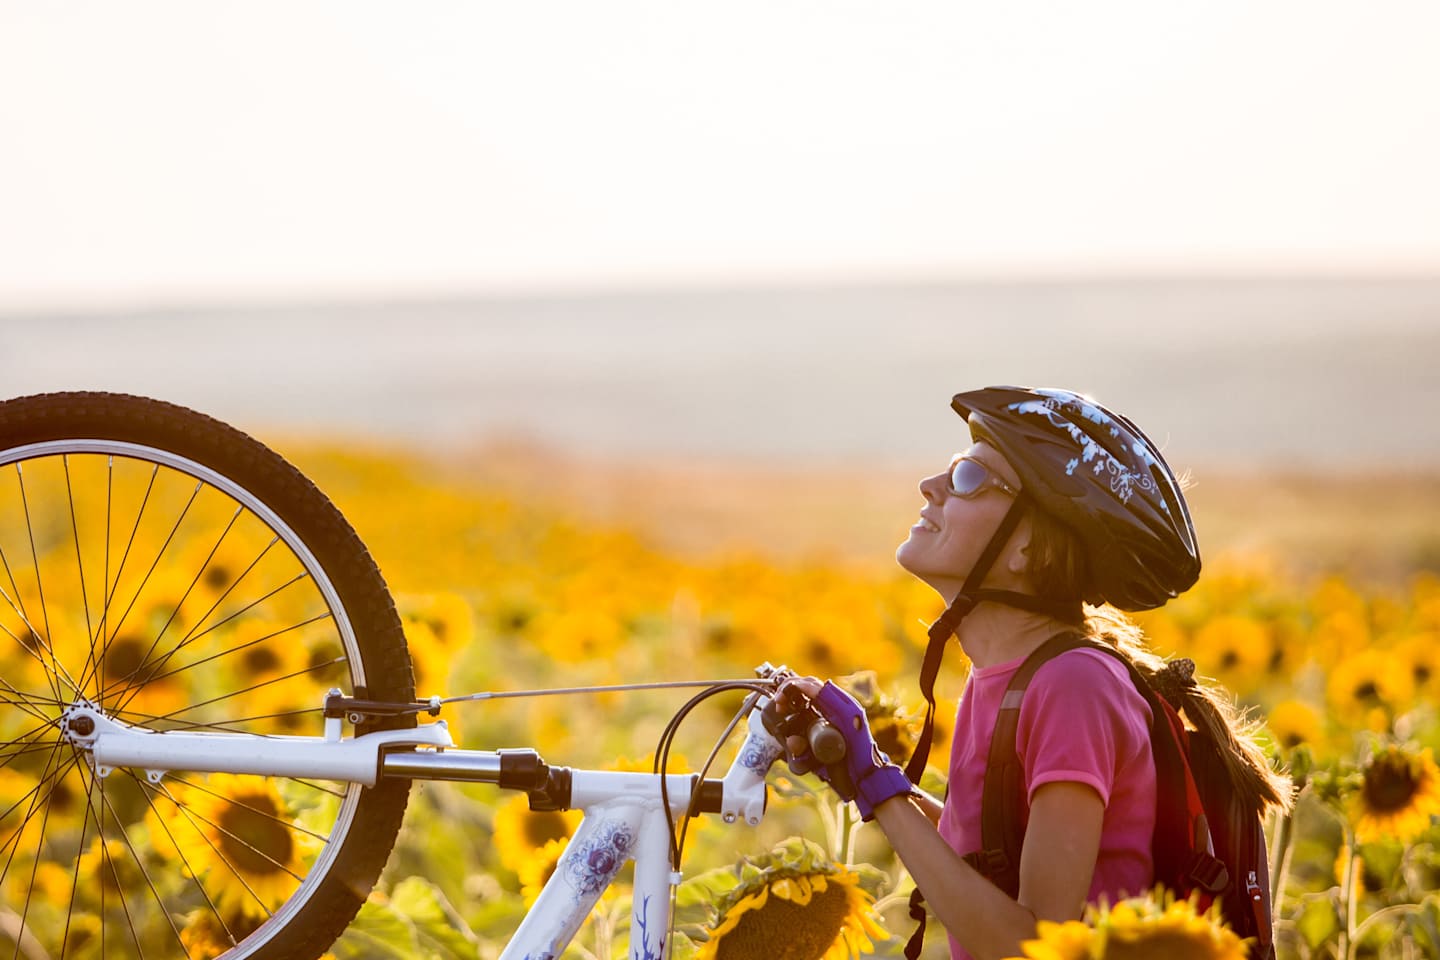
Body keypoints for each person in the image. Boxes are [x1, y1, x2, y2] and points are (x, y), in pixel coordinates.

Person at [776, 386, 1291, 960]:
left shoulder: (1074, 687)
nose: (931, 487)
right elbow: (989, 859)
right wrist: (856, 769)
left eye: (968, 477)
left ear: (1027, 548)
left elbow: (1032, 944)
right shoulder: (1008, 677)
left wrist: (881, 784)